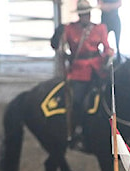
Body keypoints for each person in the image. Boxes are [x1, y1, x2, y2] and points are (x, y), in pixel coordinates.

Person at [50, 0, 114, 148]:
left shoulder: (100, 28)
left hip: (98, 68)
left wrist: (109, 54)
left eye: (88, 13)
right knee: (77, 100)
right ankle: (77, 129)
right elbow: (58, 46)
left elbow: (106, 47)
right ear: (80, 15)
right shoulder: (69, 29)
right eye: (84, 14)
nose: (87, 16)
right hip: (79, 71)